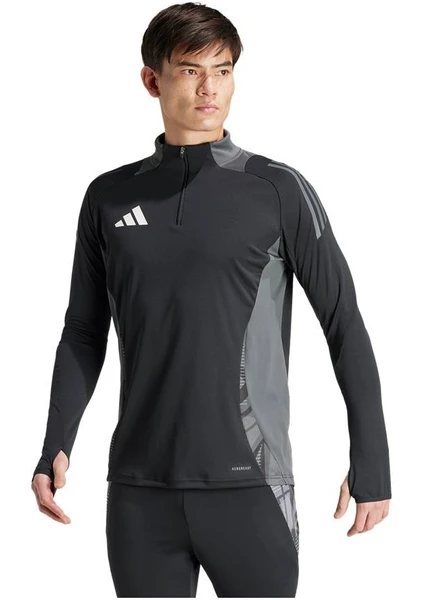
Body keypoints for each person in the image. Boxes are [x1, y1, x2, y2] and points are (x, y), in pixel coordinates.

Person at [31, 2, 392, 597]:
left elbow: (344, 323)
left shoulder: (277, 188)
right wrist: (55, 444)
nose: (210, 89)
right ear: (152, 80)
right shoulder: (108, 196)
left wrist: (372, 461)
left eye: (222, 71)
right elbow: (84, 331)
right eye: (190, 70)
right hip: (139, 491)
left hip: (252, 488)